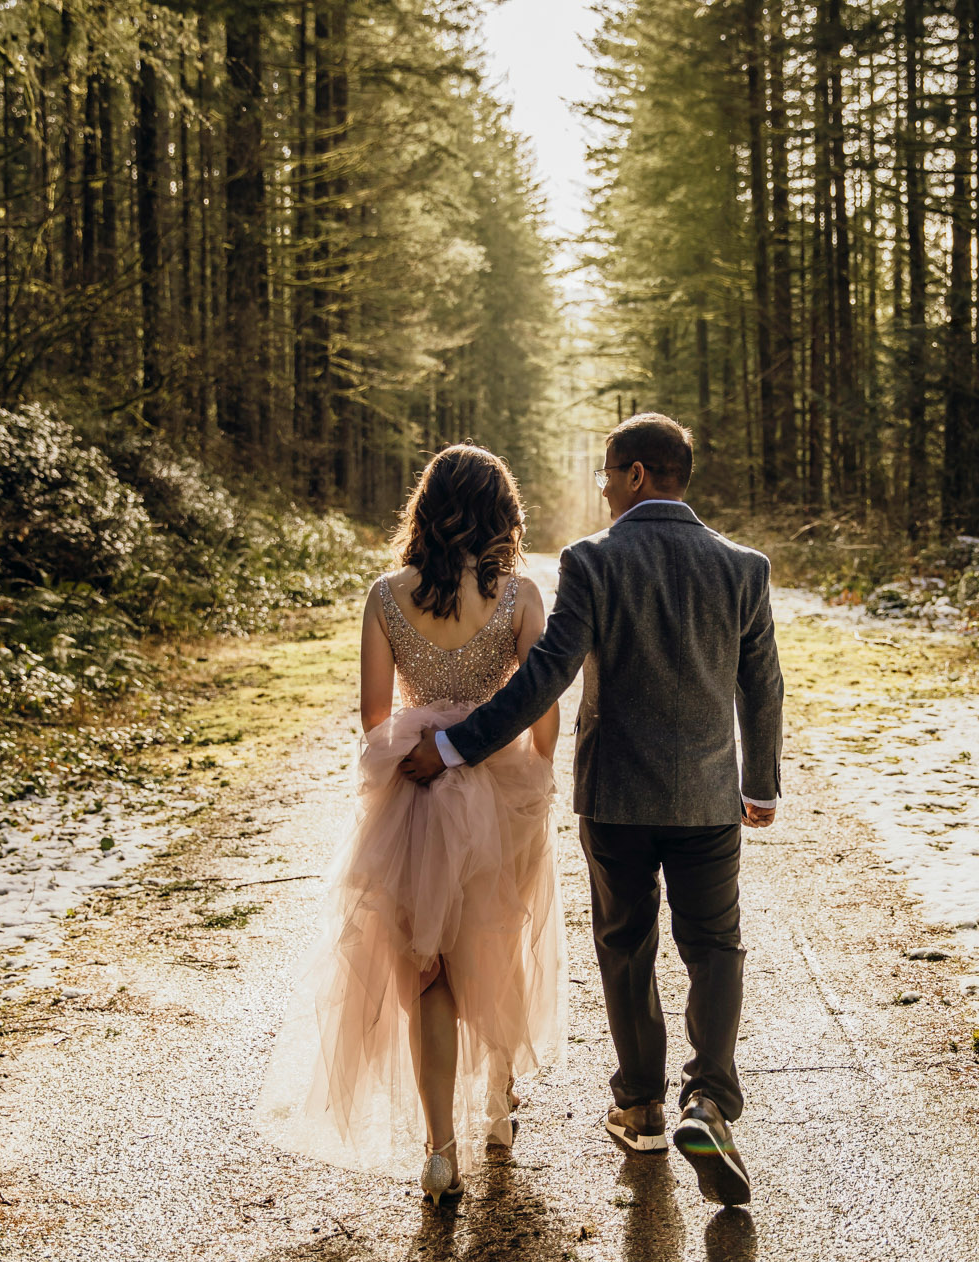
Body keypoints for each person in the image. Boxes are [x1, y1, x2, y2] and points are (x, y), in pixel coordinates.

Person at [398, 412, 785, 1208]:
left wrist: (451, 747)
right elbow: (763, 682)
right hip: (709, 797)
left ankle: (641, 1103)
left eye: (608, 474)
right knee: (715, 945)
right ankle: (708, 1098)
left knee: (627, 942)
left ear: (637, 474)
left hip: (615, 797)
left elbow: (545, 677)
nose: (603, 488)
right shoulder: (745, 568)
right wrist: (761, 784)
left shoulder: (594, 561)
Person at [258, 444, 564, 1206]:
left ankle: (439, 1150)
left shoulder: (386, 595)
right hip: (499, 784)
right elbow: (543, 714)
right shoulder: (520, 595)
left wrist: (419, 742)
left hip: (415, 791)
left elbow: (371, 716)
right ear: (502, 512)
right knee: (499, 939)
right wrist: (526, 776)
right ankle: (499, 1103)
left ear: (426, 508)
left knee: (426, 966)